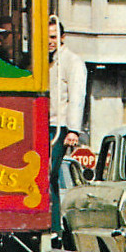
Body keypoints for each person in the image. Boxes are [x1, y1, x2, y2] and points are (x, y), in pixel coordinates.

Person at [49, 16, 88, 236]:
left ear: (62, 38)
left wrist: (73, 129)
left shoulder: (72, 61)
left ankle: (54, 229)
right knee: (47, 176)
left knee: (48, 172)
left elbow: (77, 96)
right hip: (43, 124)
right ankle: (53, 227)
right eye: (46, 37)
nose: (50, 41)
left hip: (60, 127)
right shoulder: (43, 60)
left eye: (53, 37)